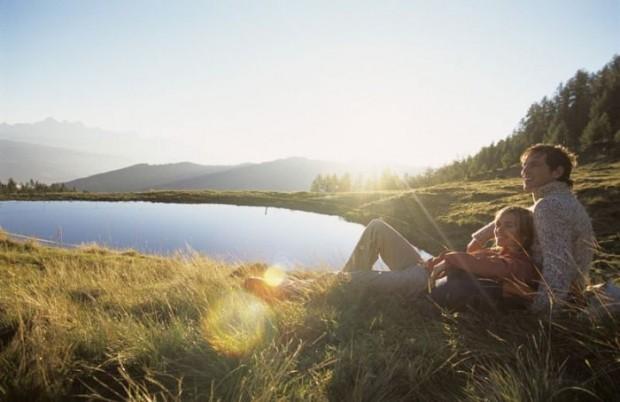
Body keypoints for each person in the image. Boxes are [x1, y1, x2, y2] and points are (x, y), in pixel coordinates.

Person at [468, 144, 595, 313]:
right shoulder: (559, 201)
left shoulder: (550, 206)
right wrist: (483, 235)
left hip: (548, 298)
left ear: (557, 172)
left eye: (534, 165)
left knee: (461, 283)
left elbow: (558, 265)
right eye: (524, 166)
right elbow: (528, 213)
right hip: (558, 292)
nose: (524, 171)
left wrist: (541, 314)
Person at [342, 206, 538, 310]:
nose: (499, 230)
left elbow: (496, 270)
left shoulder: (521, 263)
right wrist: (488, 233)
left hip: (421, 283)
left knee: (354, 278)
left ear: (526, 233)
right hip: (421, 267)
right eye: (497, 225)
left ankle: (326, 284)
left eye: (509, 225)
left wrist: (451, 259)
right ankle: (341, 287)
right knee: (377, 226)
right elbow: (472, 248)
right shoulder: (496, 251)